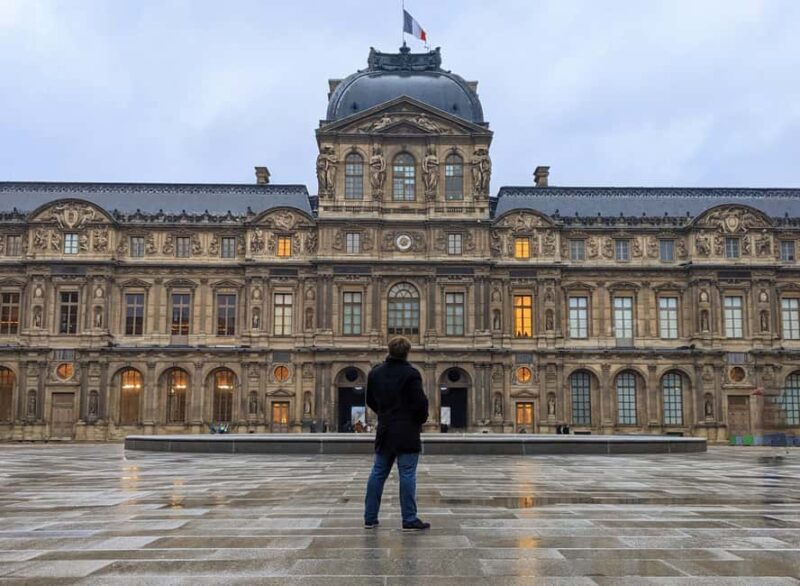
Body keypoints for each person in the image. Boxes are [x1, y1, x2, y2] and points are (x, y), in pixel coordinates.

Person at [363, 336, 430, 531]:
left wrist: (384, 414)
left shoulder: (375, 373)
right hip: (407, 431)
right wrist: (419, 419)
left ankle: (370, 517)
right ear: (407, 352)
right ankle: (409, 519)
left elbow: (370, 401)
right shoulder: (411, 374)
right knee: (407, 474)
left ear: (389, 350)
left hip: (385, 429)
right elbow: (420, 403)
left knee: (377, 473)